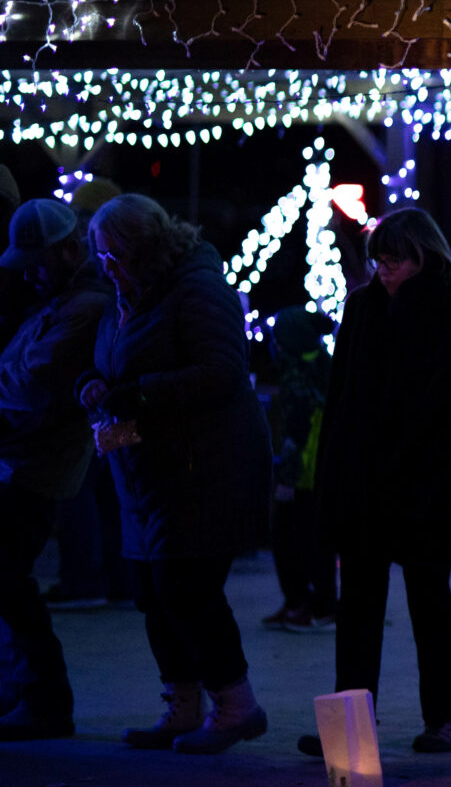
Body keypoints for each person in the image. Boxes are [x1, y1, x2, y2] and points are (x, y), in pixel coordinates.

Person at [81, 194, 271, 754]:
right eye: (100, 255)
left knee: (185, 587)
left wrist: (139, 393)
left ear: (140, 247)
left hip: (202, 468)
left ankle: (237, 706)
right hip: (146, 470)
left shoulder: (195, 289)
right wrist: (91, 386)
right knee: (150, 590)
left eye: (111, 252)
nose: (104, 264)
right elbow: (107, 362)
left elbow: (222, 371)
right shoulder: (127, 296)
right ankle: (181, 706)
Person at [304, 207, 451, 757]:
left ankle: (445, 716)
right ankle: (353, 721)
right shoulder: (366, 306)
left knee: (426, 598)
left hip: (419, 480)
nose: (385, 269)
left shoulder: (450, 311)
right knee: (360, 605)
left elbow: (440, 405)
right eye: (380, 259)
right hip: (367, 478)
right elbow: (343, 396)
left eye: (395, 260)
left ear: (422, 256)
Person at [0, 200, 113, 739]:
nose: (31, 274)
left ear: (71, 250)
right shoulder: (65, 298)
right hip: (25, 459)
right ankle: (35, 693)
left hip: (35, 464)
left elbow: (30, 381)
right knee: (8, 579)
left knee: (8, 579)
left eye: (38, 262)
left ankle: (44, 697)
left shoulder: (84, 306)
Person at [47, 178, 126, 609]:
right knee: (112, 487)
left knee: (80, 485)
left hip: (90, 389)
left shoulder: (88, 267)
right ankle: (119, 577)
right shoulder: (121, 262)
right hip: (111, 384)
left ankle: (85, 577)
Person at [262, 306, 336, 633]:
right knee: (313, 539)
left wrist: (287, 479)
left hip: (305, 474)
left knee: (289, 538)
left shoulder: (297, 373)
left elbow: (298, 430)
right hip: (323, 471)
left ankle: (308, 606)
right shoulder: (322, 363)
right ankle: (309, 603)